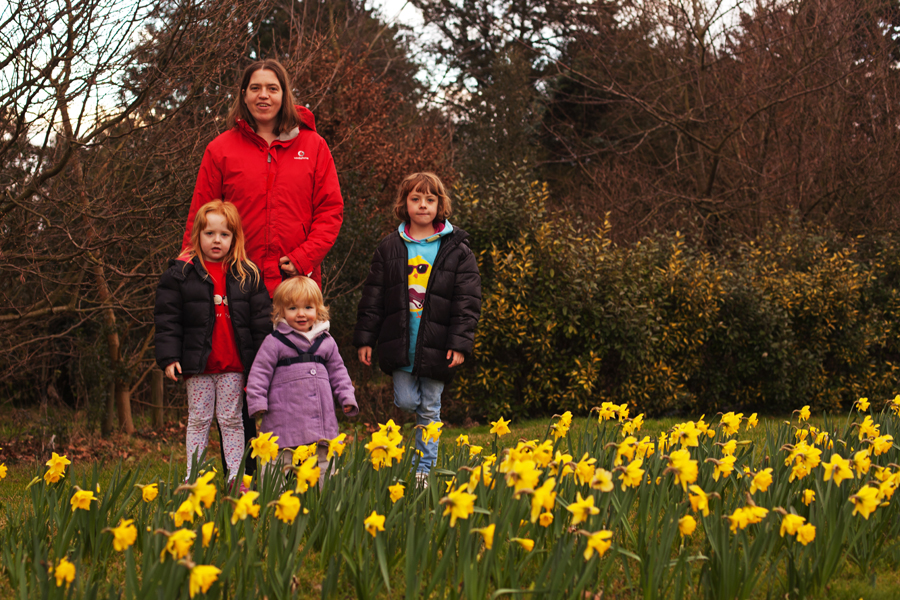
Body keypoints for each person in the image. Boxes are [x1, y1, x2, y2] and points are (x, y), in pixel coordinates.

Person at [181, 59, 344, 476]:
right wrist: (188, 271)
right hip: (238, 286)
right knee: (243, 386)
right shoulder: (221, 149)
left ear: (284, 94)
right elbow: (201, 214)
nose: (263, 95)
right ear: (243, 95)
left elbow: (331, 211)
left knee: (298, 384)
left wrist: (303, 257)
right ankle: (247, 481)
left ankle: (302, 477)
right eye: (255, 88)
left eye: (272, 88)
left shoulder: (314, 146)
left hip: (295, 287)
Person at [354, 172, 481, 485]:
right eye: (416, 198)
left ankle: (423, 469)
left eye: (430, 199)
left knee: (430, 409)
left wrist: (459, 343)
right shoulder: (389, 248)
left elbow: (467, 302)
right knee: (408, 402)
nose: (423, 205)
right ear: (404, 204)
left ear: (439, 205)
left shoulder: (457, 249)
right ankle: (418, 456)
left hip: (439, 345)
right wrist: (366, 339)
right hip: (400, 344)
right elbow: (372, 297)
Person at [155, 200, 272, 486]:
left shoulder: (247, 274)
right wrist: (170, 357)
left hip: (233, 365)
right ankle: (193, 477)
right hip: (198, 366)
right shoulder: (181, 274)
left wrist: (262, 365)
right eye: (209, 233)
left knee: (231, 420)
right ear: (197, 235)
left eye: (224, 234)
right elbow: (168, 319)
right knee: (198, 420)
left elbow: (261, 324)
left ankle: (236, 477)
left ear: (235, 237)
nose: (216, 240)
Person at [246, 276, 358, 481]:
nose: (301, 314)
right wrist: (257, 402)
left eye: (308, 307)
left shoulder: (327, 342)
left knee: (323, 463)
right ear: (281, 311)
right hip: (283, 419)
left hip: (321, 422)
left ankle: (323, 496)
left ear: (318, 309)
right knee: (276, 464)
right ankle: (275, 497)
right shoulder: (274, 342)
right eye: (292, 308)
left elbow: (339, 372)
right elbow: (259, 373)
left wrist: (347, 397)